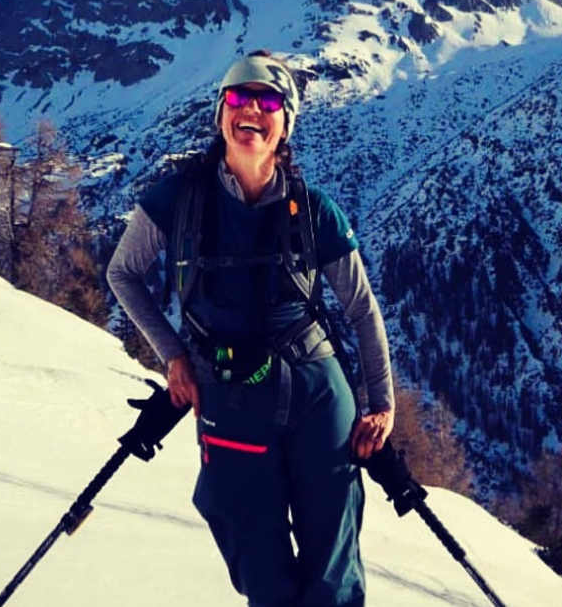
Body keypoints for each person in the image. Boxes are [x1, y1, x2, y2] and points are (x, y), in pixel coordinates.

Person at [106, 50, 395, 606]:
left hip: (317, 398)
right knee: (262, 574)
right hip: (229, 399)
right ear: (220, 114)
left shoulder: (314, 210)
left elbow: (361, 309)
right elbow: (124, 274)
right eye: (239, 97)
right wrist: (173, 355)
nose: (252, 110)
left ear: (286, 124)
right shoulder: (176, 201)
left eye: (269, 102)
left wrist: (381, 404)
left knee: (333, 575)